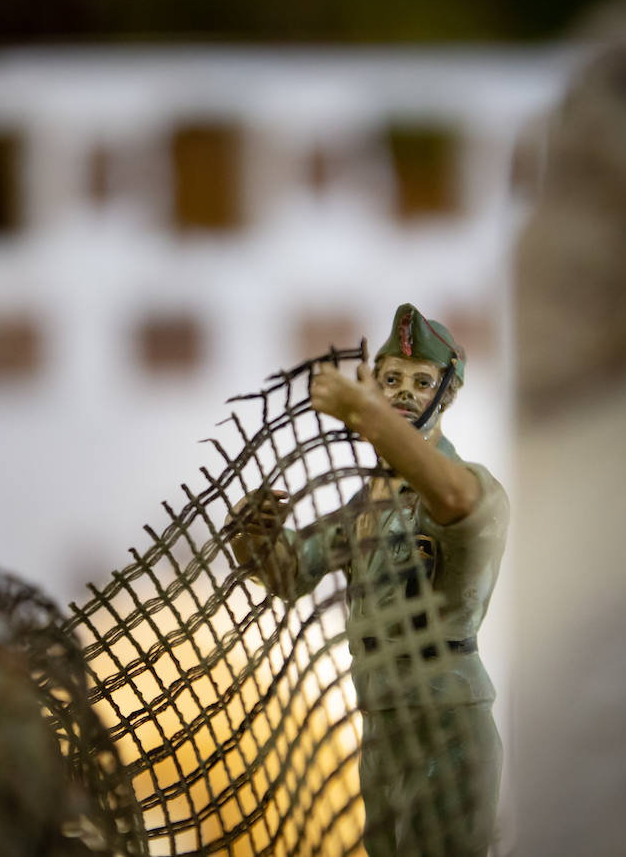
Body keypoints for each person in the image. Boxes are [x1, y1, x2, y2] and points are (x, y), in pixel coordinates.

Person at [227, 303, 509, 857]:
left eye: (422, 382)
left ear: (447, 396)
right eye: (391, 381)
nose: (404, 393)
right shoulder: (368, 504)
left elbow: (454, 501)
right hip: (382, 726)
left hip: (446, 725)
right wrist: (252, 536)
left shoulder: (469, 487)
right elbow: (292, 572)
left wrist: (371, 418)